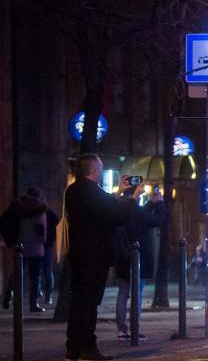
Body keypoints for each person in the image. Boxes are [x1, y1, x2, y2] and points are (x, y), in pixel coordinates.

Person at [64, 154, 142, 361]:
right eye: (99, 168)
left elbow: (104, 206)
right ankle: (88, 348)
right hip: (95, 255)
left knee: (78, 302)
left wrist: (119, 192)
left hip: (78, 254)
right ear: (94, 171)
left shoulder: (72, 191)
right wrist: (132, 199)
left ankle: (73, 347)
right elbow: (114, 215)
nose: (100, 171)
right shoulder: (92, 193)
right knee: (90, 303)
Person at [114, 189, 166, 340]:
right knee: (137, 293)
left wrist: (150, 203)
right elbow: (156, 220)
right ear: (135, 195)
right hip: (139, 257)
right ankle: (134, 329)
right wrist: (160, 203)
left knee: (122, 292)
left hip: (122, 256)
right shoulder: (138, 210)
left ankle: (121, 330)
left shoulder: (118, 209)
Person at [16, 188, 49, 312]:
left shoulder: (20, 208)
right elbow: (40, 229)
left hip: (21, 246)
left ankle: (13, 296)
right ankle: (33, 304)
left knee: (19, 274)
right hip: (36, 248)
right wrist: (43, 240)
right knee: (35, 277)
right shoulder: (39, 209)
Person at [0, 197, 21, 310]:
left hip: (10, 244)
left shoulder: (6, 214)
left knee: (12, 271)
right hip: (19, 245)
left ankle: (10, 291)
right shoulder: (21, 215)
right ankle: (13, 292)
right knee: (18, 271)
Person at [42, 205, 59, 305]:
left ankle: (41, 294)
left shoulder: (24, 209)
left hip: (28, 245)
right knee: (47, 271)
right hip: (47, 244)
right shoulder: (47, 211)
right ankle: (48, 296)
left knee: (38, 273)